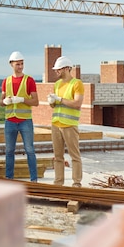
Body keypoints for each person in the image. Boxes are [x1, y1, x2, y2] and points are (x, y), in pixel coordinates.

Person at [0, 51, 39, 181]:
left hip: (25, 121)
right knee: (9, 151)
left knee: (30, 150)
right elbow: (1, 101)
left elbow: (36, 101)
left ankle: (34, 179)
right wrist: (5, 102)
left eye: (22, 64)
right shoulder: (6, 81)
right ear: (11, 64)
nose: (21, 66)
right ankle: (9, 178)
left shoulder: (29, 80)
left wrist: (21, 99)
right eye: (18, 64)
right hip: (10, 121)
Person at [48, 55, 85, 187]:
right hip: (56, 124)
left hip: (69, 125)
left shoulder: (77, 84)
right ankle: (58, 182)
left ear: (66, 69)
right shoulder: (57, 84)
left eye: (58, 69)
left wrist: (60, 100)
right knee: (58, 157)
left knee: (74, 155)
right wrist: (52, 102)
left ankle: (76, 182)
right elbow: (56, 105)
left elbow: (77, 103)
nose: (56, 72)